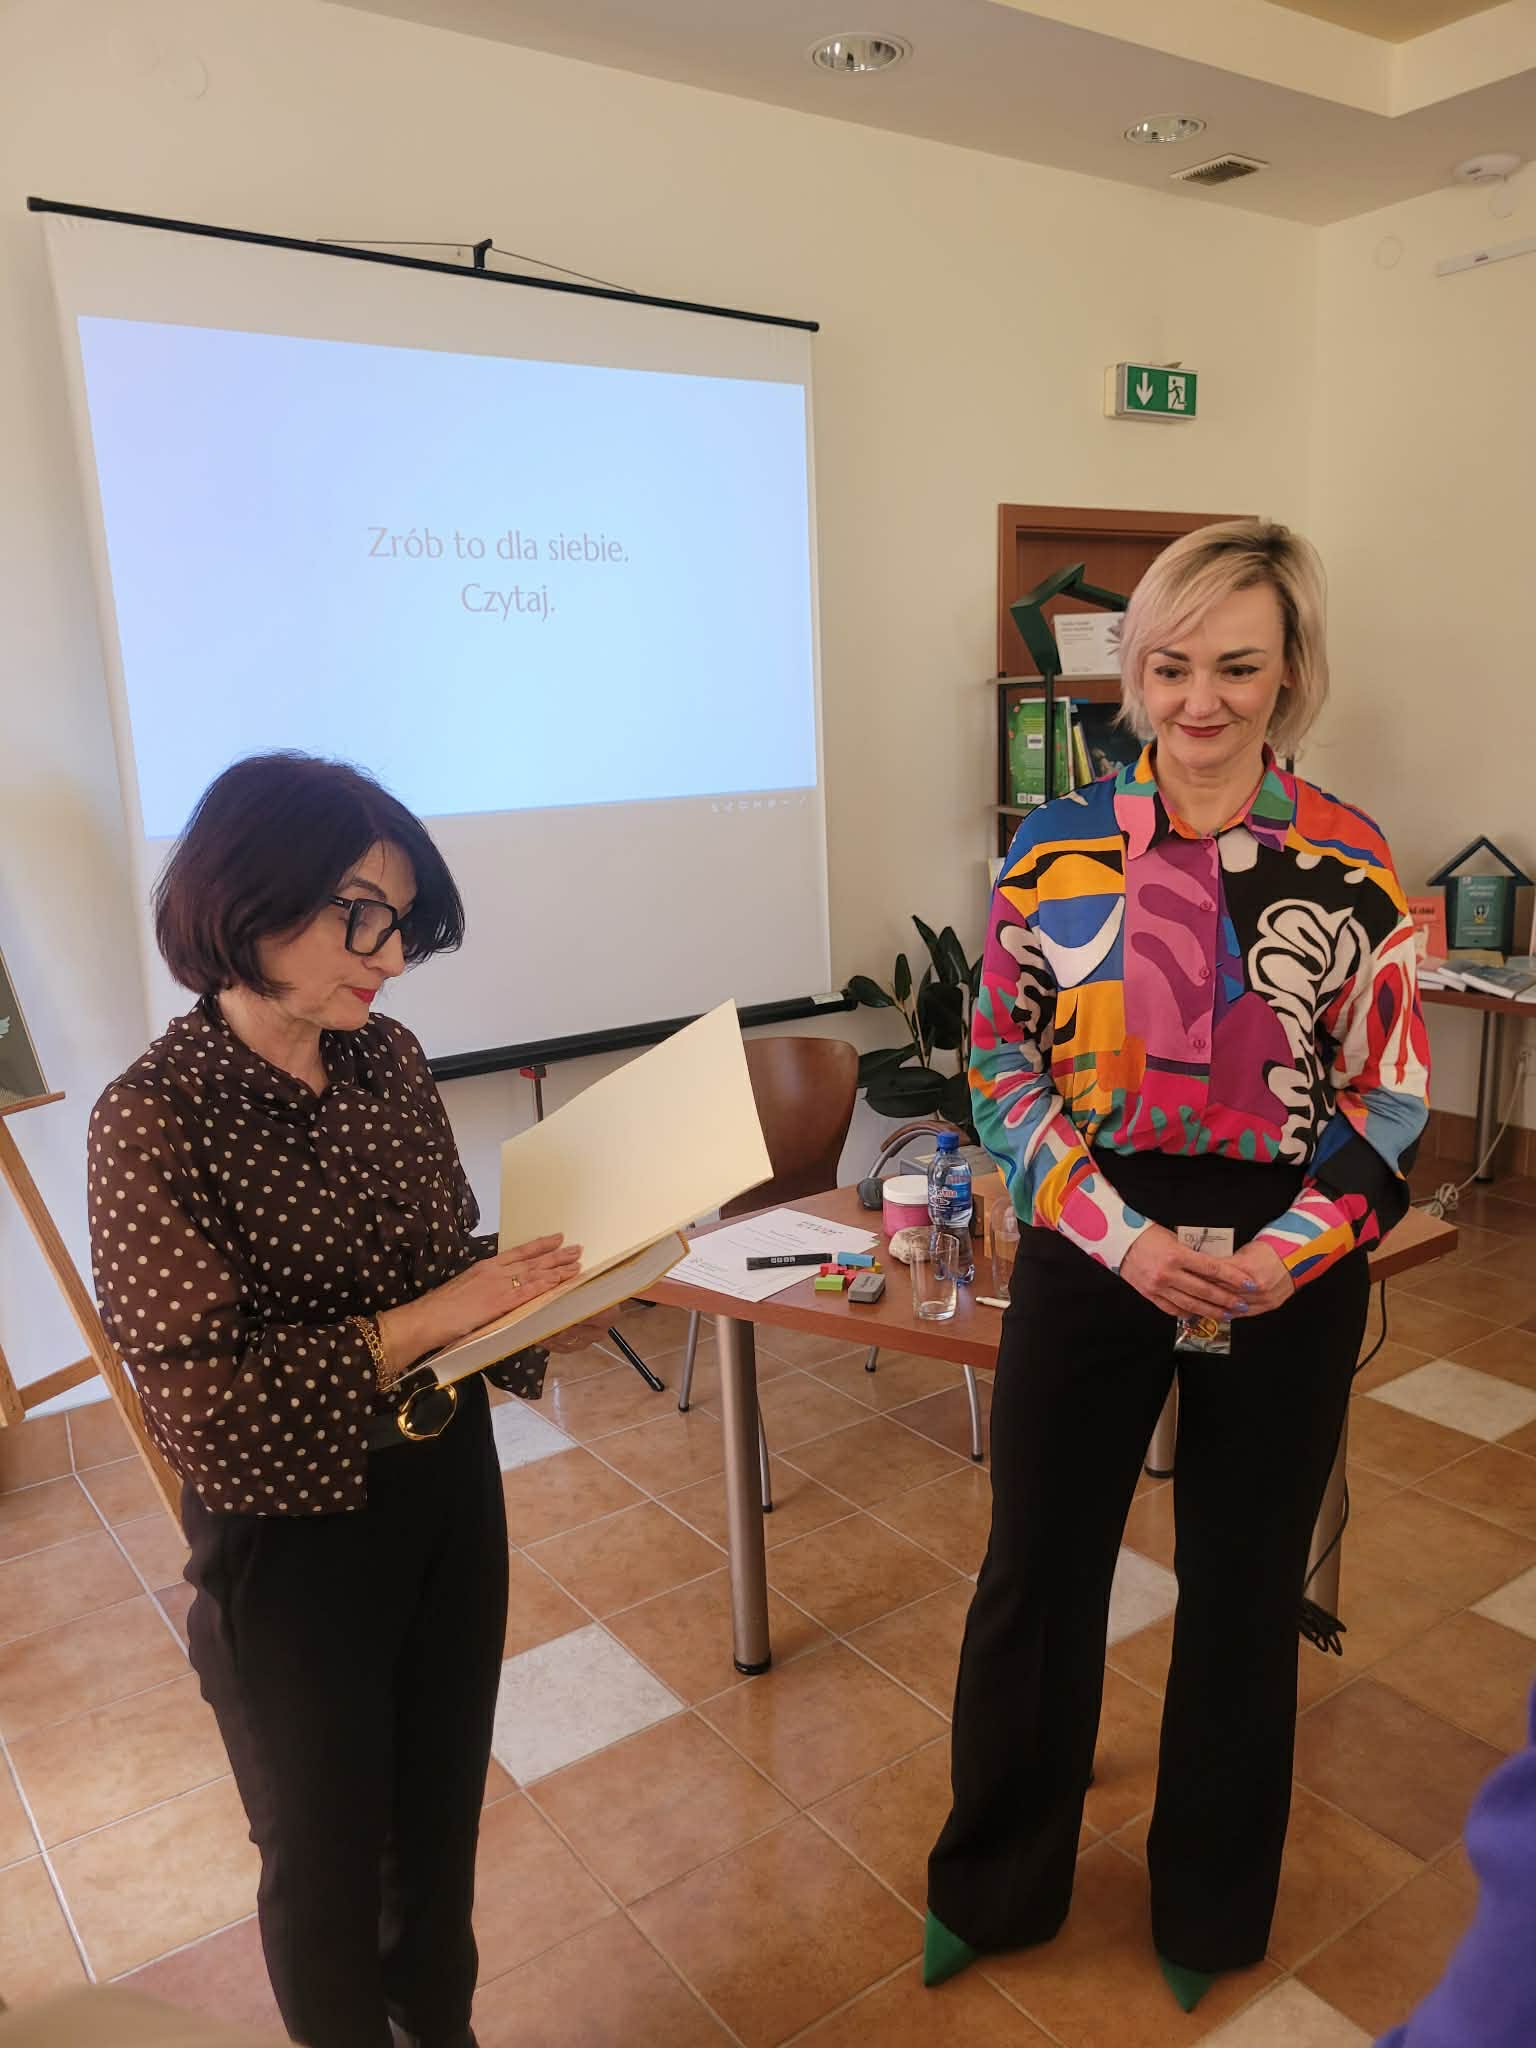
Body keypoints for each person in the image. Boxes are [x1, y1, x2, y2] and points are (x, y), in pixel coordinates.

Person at [925, 521, 1431, 2008]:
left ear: (1290, 675)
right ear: (1134, 674)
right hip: (1098, 1233)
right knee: (1037, 1570)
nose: (1200, 700)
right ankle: (997, 1881)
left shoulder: (1351, 858)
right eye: (1171, 665)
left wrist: (1287, 1256)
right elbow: (1000, 1068)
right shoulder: (1053, 846)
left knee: (1243, 1584)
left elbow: (1393, 1099)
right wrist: (1123, 1238)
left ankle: (1209, 1908)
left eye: (1238, 667)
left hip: (1290, 1248)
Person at [87, 753, 600, 2048]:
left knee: (437, 1820)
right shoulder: (151, 1118)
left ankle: (440, 2029)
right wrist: (432, 1318)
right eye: (360, 916)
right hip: (291, 1534)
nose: (392, 957)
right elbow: (205, 1401)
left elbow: (440, 1263)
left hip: (446, 1487)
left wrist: (536, 1299)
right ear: (246, 896)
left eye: (402, 923)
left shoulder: (388, 1061)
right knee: (323, 1862)